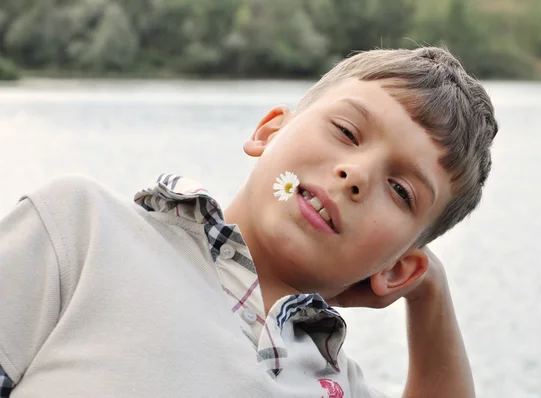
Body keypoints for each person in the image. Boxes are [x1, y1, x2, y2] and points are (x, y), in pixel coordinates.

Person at [0, 46, 498, 397]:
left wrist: (430, 289)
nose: (357, 175)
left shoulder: (338, 384)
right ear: (269, 130)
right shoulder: (84, 230)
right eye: (347, 131)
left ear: (396, 270)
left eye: (400, 190)